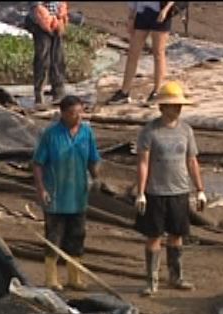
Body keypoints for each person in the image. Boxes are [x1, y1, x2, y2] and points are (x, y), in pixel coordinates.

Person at [133, 80, 206, 296]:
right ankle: (152, 280)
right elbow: (143, 162)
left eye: (179, 105)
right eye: (173, 105)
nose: (177, 109)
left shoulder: (186, 131)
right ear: (162, 107)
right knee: (154, 236)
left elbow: (192, 161)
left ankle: (176, 276)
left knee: (177, 235)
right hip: (155, 192)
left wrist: (199, 189)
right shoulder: (150, 131)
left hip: (179, 191)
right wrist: (141, 193)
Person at [33, 94, 101, 291]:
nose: (77, 117)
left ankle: (74, 277)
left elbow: (93, 159)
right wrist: (41, 189)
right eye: (72, 113)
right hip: (55, 196)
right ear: (62, 114)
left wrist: (97, 177)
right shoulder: (51, 134)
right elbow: (38, 164)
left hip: (78, 195)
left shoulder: (87, 133)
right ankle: (51, 278)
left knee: (77, 236)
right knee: (54, 236)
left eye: (80, 113)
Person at [107, 1, 179, 105]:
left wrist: (166, 9)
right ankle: (124, 92)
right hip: (143, 13)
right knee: (133, 52)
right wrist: (131, 17)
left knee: (158, 53)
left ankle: (157, 91)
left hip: (161, 12)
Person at [26, 2, 69, 108]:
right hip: (40, 20)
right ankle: (39, 93)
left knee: (58, 57)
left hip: (57, 19)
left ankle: (58, 91)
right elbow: (36, 6)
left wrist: (61, 14)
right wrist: (45, 17)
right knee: (43, 59)